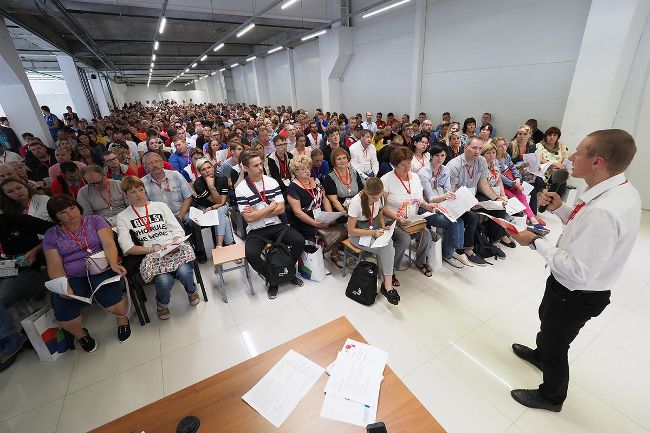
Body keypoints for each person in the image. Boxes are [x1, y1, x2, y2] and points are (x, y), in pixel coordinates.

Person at [509, 129, 641, 412]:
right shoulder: (617, 191)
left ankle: (551, 396)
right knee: (547, 323)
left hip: (576, 293)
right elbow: (584, 228)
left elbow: (578, 270)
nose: (570, 158)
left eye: (578, 152)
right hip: (568, 287)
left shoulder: (605, 211)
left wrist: (535, 242)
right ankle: (540, 356)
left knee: (556, 344)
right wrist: (561, 209)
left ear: (597, 162)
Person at [43, 195, 130, 352]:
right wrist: (63, 285)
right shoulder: (51, 235)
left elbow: (108, 243)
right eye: (63, 212)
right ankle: (81, 335)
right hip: (72, 275)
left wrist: (113, 263)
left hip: (100, 266)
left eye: (72, 208)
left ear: (78, 206)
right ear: (56, 217)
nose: (70, 214)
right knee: (63, 307)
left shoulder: (95, 220)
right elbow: (54, 264)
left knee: (109, 295)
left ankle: (122, 319)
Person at [116, 176, 199, 320]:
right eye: (133, 192)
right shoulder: (123, 217)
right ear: (125, 194)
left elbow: (177, 229)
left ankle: (192, 291)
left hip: (172, 248)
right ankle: (162, 304)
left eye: (141, 190)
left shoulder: (160, 206)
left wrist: (175, 241)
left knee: (185, 272)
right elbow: (127, 247)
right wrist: (151, 250)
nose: (139, 194)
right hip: (152, 255)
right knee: (164, 281)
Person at [235, 150, 305, 299]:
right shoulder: (241, 189)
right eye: (255, 166)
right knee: (251, 255)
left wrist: (257, 212)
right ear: (246, 168)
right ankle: (273, 277)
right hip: (256, 229)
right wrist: (270, 207)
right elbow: (249, 219)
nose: (260, 168)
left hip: (276, 224)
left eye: (260, 164)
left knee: (299, 241)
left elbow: (281, 209)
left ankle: (287, 271)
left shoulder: (271, 182)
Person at [447, 137, 511, 264]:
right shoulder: (454, 165)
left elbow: (483, 184)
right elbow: (451, 192)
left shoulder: (481, 161)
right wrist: (469, 204)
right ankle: (468, 249)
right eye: (474, 148)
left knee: (499, 207)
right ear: (465, 148)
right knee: (473, 216)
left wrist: (496, 198)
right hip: (457, 199)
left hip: (473, 196)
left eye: (480, 148)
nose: (477, 151)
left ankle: (493, 242)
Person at [380, 147, 435, 286]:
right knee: (403, 239)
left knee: (427, 235)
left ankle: (420, 261)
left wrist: (427, 206)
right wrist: (397, 218)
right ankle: (390, 270)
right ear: (394, 165)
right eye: (403, 165)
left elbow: (419, 199)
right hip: (392, 221)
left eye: (409, 163)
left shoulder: (415, 177)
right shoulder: (386, 180)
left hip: (411, 220)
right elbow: (381, 207)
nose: (407, 167)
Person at [141, 152, 208, 263]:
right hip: (159, 218)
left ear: (162, 163)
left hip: (181, 212)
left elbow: (188, 197)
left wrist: (180, 216)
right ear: (145, 167)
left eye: (157, 161)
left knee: (192, 222)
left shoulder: (176, 176)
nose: (155, 165)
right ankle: (176, 258)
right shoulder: (142, 183)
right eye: (150, 163)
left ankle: (200, 252)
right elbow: (146, 206)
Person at [286, 154, 346, 266]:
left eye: (308, 167)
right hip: (304, 221)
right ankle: (316, 262)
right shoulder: (292, 188)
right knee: (314, 232)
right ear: (295, 172)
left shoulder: (316, 182)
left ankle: (334, 254)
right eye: (302, 169)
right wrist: (315, 223)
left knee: (338, 225)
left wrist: (330, 216)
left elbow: (325, 200)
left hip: (320, 215)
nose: (307, 171)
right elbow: (298, 212)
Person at [418, 145, 471, 268]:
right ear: (431, 156)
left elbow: (447, 189)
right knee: (453, 221)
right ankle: (451, 253)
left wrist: (454, 197)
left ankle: (454, 251)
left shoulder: (445, 170)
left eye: (442, 155)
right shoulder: (423, 173)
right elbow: (430, 198)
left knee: (460, 219)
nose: (439, 158)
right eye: (437, 155)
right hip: (426, 208)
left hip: (442, 205)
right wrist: (445, 196)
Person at [347, 177, 398, 301]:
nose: (376, 199)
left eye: (378, 197)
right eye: (373, 197)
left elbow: (380, 213)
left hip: (373, 228)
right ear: (366, 192)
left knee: (388, 244)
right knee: (387, 248)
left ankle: (387, 282)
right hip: (358, 235)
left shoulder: (379, 197)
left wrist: (382, 226)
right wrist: (373, 232)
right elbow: (351, 230)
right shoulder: (356, 202)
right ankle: (388, 284)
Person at [0, 211, 53, 314]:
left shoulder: (18, 220)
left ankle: (41, 281)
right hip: (6, 268)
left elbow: (56, 231)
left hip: (27, 269)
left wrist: (36, 250)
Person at [493, 137, 543, 227]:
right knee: (514, 199)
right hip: (502, 186)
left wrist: (518, 178)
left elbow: (513, 168)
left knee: (522, 195)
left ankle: (532, 218)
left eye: (504, 145)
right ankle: (526, 218)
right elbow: (499, 176)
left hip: (512, 182)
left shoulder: (507, 156)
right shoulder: (494, 160)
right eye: (500, 146)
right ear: (495, 148)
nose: (503, 147)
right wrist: (513, 183)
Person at [480, 142, 517, 248]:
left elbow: (499, 180)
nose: (491, 155)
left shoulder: (495, 163)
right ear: (483, 154)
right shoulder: (481, 165)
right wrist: (497, 198)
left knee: (506, 202)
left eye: (493, 152)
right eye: (488, 153)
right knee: (500, 207)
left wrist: (503, 195)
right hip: (483, 193)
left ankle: (502, 233)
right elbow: (482, 186)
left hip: (495, 192)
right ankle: (495, 238)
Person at [193, 158, 234, 247]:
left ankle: (219, 245)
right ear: (199, 172)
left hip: (220, 206)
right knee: (225, 218)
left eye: (209, 167)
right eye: (203, 169)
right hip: (205, 207)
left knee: (220, 210)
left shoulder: (222, 179)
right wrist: (210, 186)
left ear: (213, 167)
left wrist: (212, 207)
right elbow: (216, 201)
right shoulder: (198, 183)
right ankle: (230, 244)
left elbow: (221, 202)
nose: (207, 171)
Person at [510, 125, 545, 215]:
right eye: (520, 134)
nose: (522, 136)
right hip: (515, 171)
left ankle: (528, 207)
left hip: (527, 170)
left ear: (530, 135)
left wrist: (537, 166)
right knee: (531, 189)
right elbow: (508, 164)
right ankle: (533, 214)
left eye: (525, 134)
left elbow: (533, 159)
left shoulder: (532, 145)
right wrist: (520, 167)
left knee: (540, 181)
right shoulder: (511, 146)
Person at [323, 148, 364, 216]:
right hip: (341, 211)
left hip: (357, 208)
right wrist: (347, 214)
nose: (342, 161)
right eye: (339, 159)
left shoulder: (354, 172)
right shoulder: (329, 177)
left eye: (344, 158)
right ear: (334, 161)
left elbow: (362, 191)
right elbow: (334, 201)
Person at [536, 127, 570, 197]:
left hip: (557, 173)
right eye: (549, 135)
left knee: (561, 182)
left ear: (558, 137)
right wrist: (551, 164)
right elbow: (539, 159)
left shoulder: (562, 147)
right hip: (543, 173)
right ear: (546, 136)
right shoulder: (539, 146)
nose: (552, 137)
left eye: (554, 135)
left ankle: (555, 199)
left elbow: (568, 159)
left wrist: (561, 166)